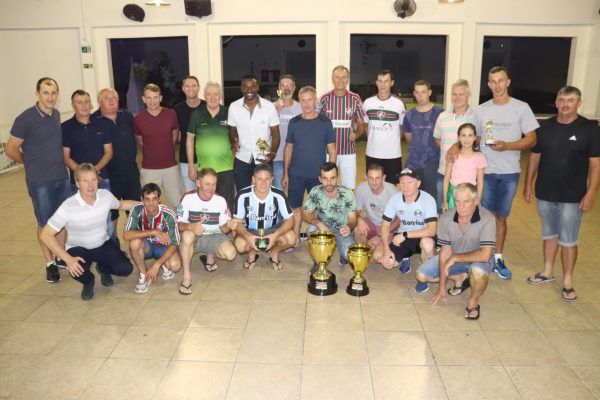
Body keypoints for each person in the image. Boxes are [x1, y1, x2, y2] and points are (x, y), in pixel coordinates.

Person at [523, 86, 600, 302]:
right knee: (549, 234)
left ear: (579, 103)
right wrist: (528, 185)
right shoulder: (545, 128)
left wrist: (591, 193)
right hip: (546, 193)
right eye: (562, 100)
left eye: (571, 100)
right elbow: (535, 158)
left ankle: (567, 281)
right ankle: (547, 271)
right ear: (556, 103)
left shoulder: (590, 130)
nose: (565, 104)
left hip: (573, 196)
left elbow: (596, 165)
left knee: (568, 240)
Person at [473, 66, 538, 280]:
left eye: (501, 80)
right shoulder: (481, 110)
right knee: (484, 217)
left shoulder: (521, 108)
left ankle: (498, 257)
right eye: (493, 81)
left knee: (500, 217)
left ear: (508, 82)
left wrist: (507, 146)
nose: (497, 85)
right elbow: (473, 138)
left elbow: (532, 139)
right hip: (486, 172)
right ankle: (483, 255)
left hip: (509, 173)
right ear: (489, 84)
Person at [6, 77, 71, 283]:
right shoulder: (24, 119)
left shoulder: (56, 115)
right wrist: (29, 162)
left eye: (53, 93)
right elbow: (10, 150)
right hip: (40, 181)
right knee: (44, 223)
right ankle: (50, 263)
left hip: (61, 177)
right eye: (45, 92)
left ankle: (60, 257)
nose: (50, 97)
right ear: (37, 94)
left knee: (61, 220)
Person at [40, 163, 135, 300]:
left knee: (125, 268)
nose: (90, 185)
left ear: (98, 180)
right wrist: (68, 259)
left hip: (102, 243)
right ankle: (88, 281)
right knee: (77, 270)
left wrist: (147, 204)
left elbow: (121, 205)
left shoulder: (105, 196)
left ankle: (103, 269)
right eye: (85, 181)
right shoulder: (68, 206)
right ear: (77, 183)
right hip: (79, 248)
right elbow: (46, 234)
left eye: (93, 180)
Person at [417, 183, 496, 321]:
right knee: (421, 275)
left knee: (478, 272)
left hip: (479, 259)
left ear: (476, 201)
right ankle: (459, 276)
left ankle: (473, 302)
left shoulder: (488, 218)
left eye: (466, 202)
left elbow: (485, 255)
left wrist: (454, 258)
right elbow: (445, 253)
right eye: (458, 201)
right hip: (455, 257)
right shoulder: (446, 217)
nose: (461, 206)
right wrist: (442, 287)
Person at [283, 86, 337, 246]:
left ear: (315, 100)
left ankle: (318, 238)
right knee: (295, 208)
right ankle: (296, 238)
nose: (306, 104)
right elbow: (288, 148)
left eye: (310, 99)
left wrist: (331, 176)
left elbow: (332, 150)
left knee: (317, 209)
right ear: (300, 102)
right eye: (303, 100)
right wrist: (286, 173)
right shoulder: (294, 123)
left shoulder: (325, 122)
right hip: (297, 174)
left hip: (317, 175)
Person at [177, 168, 237, 294]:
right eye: (207, 184)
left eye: (214, 184)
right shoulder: (188, 198)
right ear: (198, 183)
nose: (211, 188)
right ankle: (187, 277)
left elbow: (223, 229)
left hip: (214, 236)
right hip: (194, 237)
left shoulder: (220, 200)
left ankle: (210, 255)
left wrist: (229, 225)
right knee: (187, 236)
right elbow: (177, 224)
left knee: (231, 255)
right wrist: (191, 227)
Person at [92, 88, 142, 236]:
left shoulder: (126, 116)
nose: (111, 101)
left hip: (130, 172)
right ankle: (113, 246)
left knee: (134, 210)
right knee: (111, 214)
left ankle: (136, 242)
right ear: (99, 101)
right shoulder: (93, 120)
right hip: (108, 175)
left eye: (114, 97)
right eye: (107, 98)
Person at [233, 164, 296, 270]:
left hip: (272, 230)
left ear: (272, 180)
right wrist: (248, 236)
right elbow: (237, 222)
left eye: (267, 179)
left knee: (291, 238)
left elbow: (291, 220)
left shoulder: (279, 195)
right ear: (253, 179)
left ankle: (275, 252)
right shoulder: (242, 195)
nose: (263, 183)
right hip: (250, 230)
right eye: (259, 179)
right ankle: (252, 252)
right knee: (239, 245)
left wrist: (275, 235)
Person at [123, 183, 182, 294]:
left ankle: (162, 263)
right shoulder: (137, 209)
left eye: (154, 199)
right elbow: (126, 235)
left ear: (159, 199)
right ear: (142, 199)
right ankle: (143, 274)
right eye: (147, 199)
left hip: (163, 246)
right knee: (134, 243)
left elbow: (175, 243)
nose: (151, 203)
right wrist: (153, 232)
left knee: (175, 266)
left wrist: (156, 265)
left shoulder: (168, 214)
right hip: (147, 246)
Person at [187, 82, 235, 209]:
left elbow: (237, 138)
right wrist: (191, 166)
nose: (213, 97)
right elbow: (190, 140)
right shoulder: (197, 114)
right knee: (205, 205)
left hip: (226, 169)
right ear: (204, 96)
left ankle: (228, 229)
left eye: (216, 94)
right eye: (209, 94)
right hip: (204, 170)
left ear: (220, 96)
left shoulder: (228, 113)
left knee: (227, 205)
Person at [228, 75, 280, 191]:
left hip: (264, 158)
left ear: (257, 87)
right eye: (245, 87)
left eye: (252, 86)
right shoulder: (234, 107)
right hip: (242, 158)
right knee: (243, 192)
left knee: (265, 192)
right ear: (241, 88)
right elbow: (232, 130)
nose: (249, 90)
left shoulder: (269, 107)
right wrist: (233, 142)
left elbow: (276, 134)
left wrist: (273, 153)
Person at [134, 83, 182, 208]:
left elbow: (174, 135)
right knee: (150, 205)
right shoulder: (138, 119)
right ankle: (153, 228)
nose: (152, 101)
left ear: (160, 98)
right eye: (148, 98)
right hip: (149, 169)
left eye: (155, 97)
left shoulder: (171, 114)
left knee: (176, 203)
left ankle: (175, 227)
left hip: (170, 168)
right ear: (143, 99)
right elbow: (141, 140)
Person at [380, 168, 437, 273]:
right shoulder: (394, 199)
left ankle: (425, 275)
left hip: (422, 235)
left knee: (427, 244)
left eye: (410, 182)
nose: (405, 186)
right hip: (404, 237)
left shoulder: (428, 199)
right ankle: (406, 257)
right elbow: (385, 225)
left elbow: (432, 230)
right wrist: (386, 249)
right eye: (402, 183)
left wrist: (405, 235)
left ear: (418, 184)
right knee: (387, 263)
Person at [319, 65, 365, 189]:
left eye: (344, 77)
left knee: (348, 187)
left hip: (348, 152)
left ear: (348, 79)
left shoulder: (355, 98)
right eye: (337, 77)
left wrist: (356, 134)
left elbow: (361, 124)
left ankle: (347, 208)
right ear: (332, 79)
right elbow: (316, 122)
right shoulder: (324, 99)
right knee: (327, 184)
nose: (340, 80)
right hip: (327, 151)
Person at [302, 162, 357, 266]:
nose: (329, 182)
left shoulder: (348, 193)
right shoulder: (315, 191)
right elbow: (304, 213)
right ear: (319, 179)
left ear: (338, 178)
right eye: (325, 178)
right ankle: (318, 262)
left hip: (343, 230)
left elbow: (353, 219)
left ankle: (343, 254)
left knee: (349, 256)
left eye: (332, 178)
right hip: (324, 229)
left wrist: (349, 227)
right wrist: (318, 223)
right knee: (311, 230)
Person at [434, 79, 474, 211]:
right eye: (454, 94)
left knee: (464, 211)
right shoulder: (442, 116)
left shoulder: (475, 117)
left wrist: (457, 148)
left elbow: (477, 142)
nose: (457, 97)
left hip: (465, 175)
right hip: (443, 171)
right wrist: (449, 152)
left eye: (461, 94)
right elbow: (438, 139)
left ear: (469, 95)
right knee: (443, 209)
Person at [62, 90, 113, 193]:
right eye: (79, 102)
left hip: (101, 179)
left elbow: (109, 152)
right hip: (78, 182)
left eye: (86, 102)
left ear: (90, 104)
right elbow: (66, 157)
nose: (84, 105)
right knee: (80, 209)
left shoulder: (102, 124)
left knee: (105, 209)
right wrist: (85, 175)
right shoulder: (65, 127)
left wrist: (94, 172)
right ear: (73, 105)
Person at [362, 69, 406, 184]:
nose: (383, 84)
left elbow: (402, 128)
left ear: (392, 83)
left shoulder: (399, 103)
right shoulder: (368, 103)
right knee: (373, 185)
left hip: (392, 155)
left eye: (386, 81)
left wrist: (392, 142)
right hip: (372, 154)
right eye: (380, 81)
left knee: (391, 187)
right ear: (376, 83)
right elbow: (366, 126)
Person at [403, 80, 443, 201]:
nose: (420, 95)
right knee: (412, 199)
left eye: (423, 92)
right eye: (417, 92)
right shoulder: (409, 115)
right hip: (413, 163)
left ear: (429, 92)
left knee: (432, 200)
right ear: (414, 94)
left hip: (433, 164)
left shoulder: (440, 113)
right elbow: (409, 138)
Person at [354, 164, 398, 265]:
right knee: (357, 226)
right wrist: (360, 220)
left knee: (379, 258)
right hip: (372, 224)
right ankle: (364, 252)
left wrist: (381, 235)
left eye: (377, 178)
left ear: (384, 178)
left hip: (389, 227)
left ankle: (381, 247)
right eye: (371, 178)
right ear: (366, 178)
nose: (374, 182)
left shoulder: (393, 192)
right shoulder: (361, 189)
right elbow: (355, 210)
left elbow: (399, 219)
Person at [442, 123, 486, 211]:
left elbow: (480, 182)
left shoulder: (480, 157)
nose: (467, 139)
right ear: (458, 137)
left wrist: (478, 199)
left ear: (474, 138)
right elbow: (446, 178)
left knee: (468, 221)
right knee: (453, 221)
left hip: (470, 195)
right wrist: (445, 201)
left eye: (470, 135)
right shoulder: (453, 155)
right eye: (463, 135)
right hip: (453, 194)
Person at [174, 76, 204, 191]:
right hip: (186, 160)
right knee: (190, 193)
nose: (190, 88)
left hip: (206, 159)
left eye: (193, 85)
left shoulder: (206, 106)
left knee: (207, 192)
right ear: (183, 88)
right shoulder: (177, 109)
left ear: (198, 88)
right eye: (187, 86)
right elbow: (176, 135)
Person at [273, 74, 302, 190]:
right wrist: (273, 115)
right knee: (279, 194)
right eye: (283, 85)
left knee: (294, 194)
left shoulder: (301, 108)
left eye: (289, 85)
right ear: (279, 89)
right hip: (278, 159)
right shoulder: (271, 108)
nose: (286, 87)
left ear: (294, 88)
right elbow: (263, 133)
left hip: (297, 159)